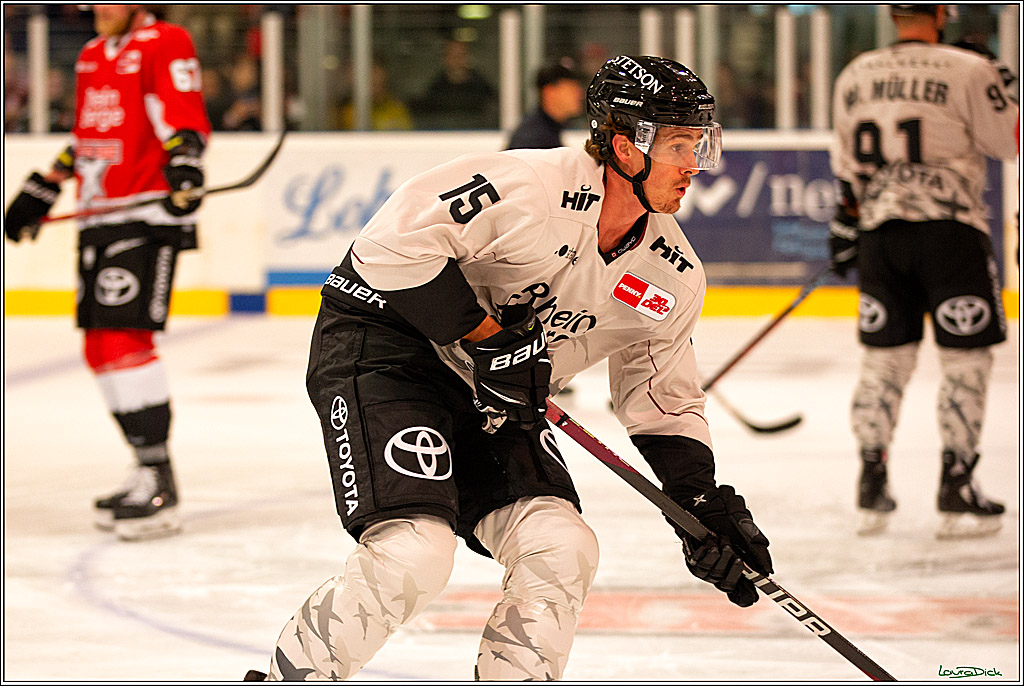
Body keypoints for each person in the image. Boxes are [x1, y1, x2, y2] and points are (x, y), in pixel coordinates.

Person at [244, 55, 772, 682]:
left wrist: (700, 502)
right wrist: (488, 336)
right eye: (679, 144)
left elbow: (660, 397)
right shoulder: (528, 185)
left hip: (494, 388)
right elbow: (388, 246)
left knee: (561, 547)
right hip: (390, 351)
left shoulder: (669, 274)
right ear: (626, 146)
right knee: (415, 552)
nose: (694, 165)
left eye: (701, 143)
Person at [4, 4, 211, 541]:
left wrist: (186, 164)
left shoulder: (165, 42)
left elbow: (181, 115)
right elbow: (90, 133)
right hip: (99, 214)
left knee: (123, 339)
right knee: (98, 345)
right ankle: (145, 467)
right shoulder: (94, 54)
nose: (97, 8)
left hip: (143, 215)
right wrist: (46, 184)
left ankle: (160, 480)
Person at [829, 4, 1018, 538]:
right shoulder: (968, 69)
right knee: (965, 363)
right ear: (942, 13)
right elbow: (1010, 140)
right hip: (951, 235)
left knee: (884, 362)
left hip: (880, 236)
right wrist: (999, 79)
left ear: (891, 15)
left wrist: (847, 224)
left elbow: (846, 166)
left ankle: (871, 477)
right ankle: (957, 482)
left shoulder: (855, 72)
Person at [412, 38, 497, 130]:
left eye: (461, 55)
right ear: (445, 58)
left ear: (467, 57)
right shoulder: (436, 89)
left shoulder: (481, 87)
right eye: (453, 56)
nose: (457, 60)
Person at [505, 60, 584, 150]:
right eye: (573, 89)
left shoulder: (548, 131)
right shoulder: (532, 140)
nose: (580, 94)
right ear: (550, 92)